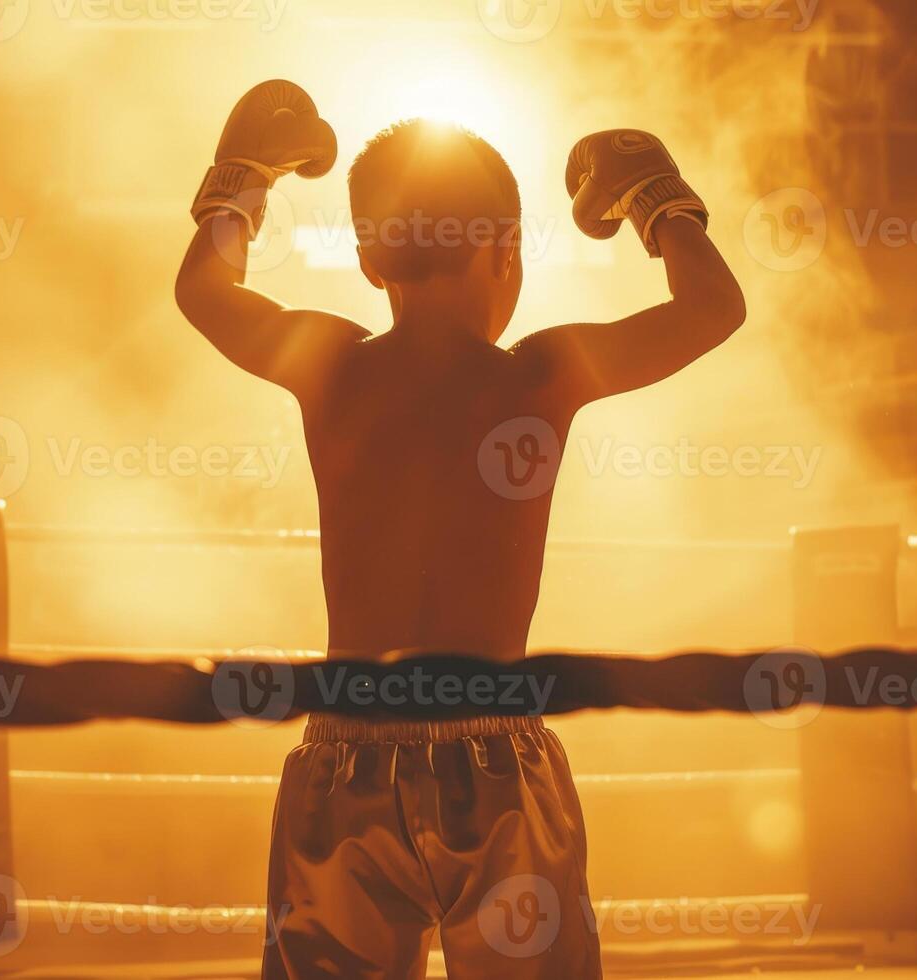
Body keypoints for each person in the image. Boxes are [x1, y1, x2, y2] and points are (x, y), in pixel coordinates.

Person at [175, 79, 745, 980]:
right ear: (507, 253)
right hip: (497, 760)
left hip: (345, 756)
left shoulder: (331, 365)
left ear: (370, 262)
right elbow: (714, 310)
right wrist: (654, 202)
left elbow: (204, 292)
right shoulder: (541, 375)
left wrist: (244, 183)